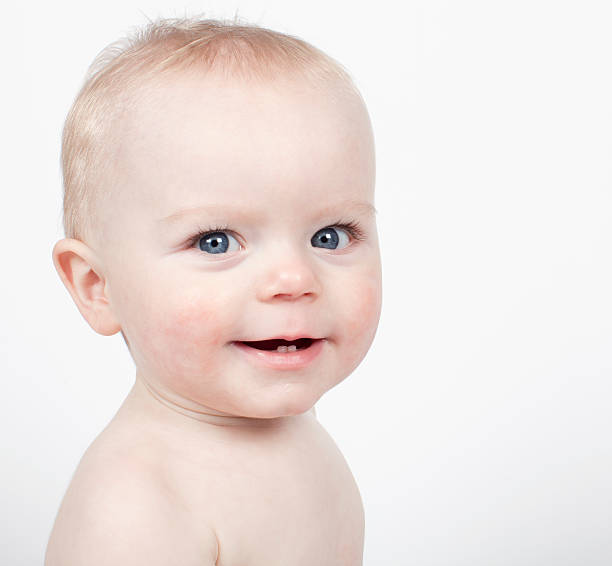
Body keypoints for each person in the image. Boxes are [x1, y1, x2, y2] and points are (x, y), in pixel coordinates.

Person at [46, 17, 382, 566]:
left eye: (330, 236)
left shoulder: (295, 424)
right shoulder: (137, 509)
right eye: (216, 241)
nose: (295, 280)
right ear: (97, 287)